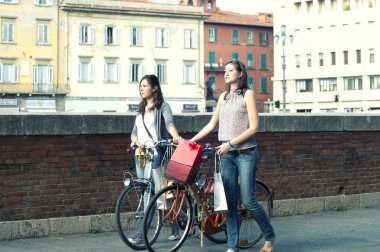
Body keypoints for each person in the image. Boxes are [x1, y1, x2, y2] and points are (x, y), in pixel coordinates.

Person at [190, 60, 275, 252]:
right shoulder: (223, 97)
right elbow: (212, 125)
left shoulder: (248, 94)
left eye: (230, 70)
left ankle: (269, 236)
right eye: (225, 71)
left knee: (248, 201)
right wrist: (191, 140)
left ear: (240, 74)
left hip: (245, 154)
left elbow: (254, 127)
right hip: (226, 156)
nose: (226, 74)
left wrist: (229, 144)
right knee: (229, 201)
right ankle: (232, 246)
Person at [129, 74, 181, 244]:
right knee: (152, 192)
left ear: (155, 88)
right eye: (140, 86)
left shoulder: (163, 107)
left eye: (144, 85)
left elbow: (169, 124)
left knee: (152, 194)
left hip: (156, 154)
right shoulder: (140, 108)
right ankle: (175, 222)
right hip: (141, 155)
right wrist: (134, 139)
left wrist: (176, 137)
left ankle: (141, 234)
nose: (141, 88)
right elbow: (135, 130)